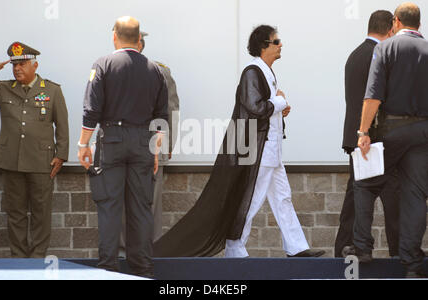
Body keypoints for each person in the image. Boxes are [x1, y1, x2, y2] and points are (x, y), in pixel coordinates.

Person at [153, 25, 324, 259]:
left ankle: (296, 247)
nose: (280, 45)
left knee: (282, 196)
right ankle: (235, 246)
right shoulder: (252, 72)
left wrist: (278, 108)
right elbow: (255, 107)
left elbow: (263, 107)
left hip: (271, 149)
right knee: (252, 197)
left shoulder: (266, 72)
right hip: (260, 149)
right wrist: (281, 103)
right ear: (264, 46)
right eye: (276, 41)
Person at [78, 16, 168, 278]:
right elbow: (161, 117)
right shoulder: (155, 69)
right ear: (139, 39)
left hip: (112, 141)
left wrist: (84, 144)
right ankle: (143, 271)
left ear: (114, 36)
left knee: (109, 206)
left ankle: (108, 270)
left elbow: (91, 110)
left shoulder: (103, 64)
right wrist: (154, 150)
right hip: (143, 141)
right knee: (141, 208)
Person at [356, 3, 428, 278]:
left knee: (364, 183)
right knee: (415, 196)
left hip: (392, 131)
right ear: (418, 24)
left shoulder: (384, 49)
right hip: (423, 133)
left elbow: (373, 96)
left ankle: (363, 247)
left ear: (396, 22)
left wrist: (363, 132)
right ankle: (412, 266)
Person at [0, 42, 69, 258]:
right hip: (11, 159)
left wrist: (61, 155)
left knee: (41, 212)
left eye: (22, 64)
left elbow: (62, 125)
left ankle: (37, 257)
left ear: (34, 65)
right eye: (14, 64)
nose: (17, 68)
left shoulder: (52, 90)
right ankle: (18, 258)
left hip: (41, 161)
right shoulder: (3, 88)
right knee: (16, 212)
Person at [336, 10, 400, 258]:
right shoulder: (380, 55)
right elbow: (376, 99)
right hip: (374, 141)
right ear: (390, 30)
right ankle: (399, 255)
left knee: (355, 200)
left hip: (357, 139)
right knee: (394, 198)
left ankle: (344, 251)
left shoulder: (355, 54)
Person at [118, 31, 180, 258]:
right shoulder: (111, 69)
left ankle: (149, 252)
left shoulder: (160, 71)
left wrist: (167, 144)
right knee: (123, 201)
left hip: (152, 146)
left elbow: (171, 109)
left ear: (141, 45)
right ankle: (124, 253)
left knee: (151, 203)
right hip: (121, 148)